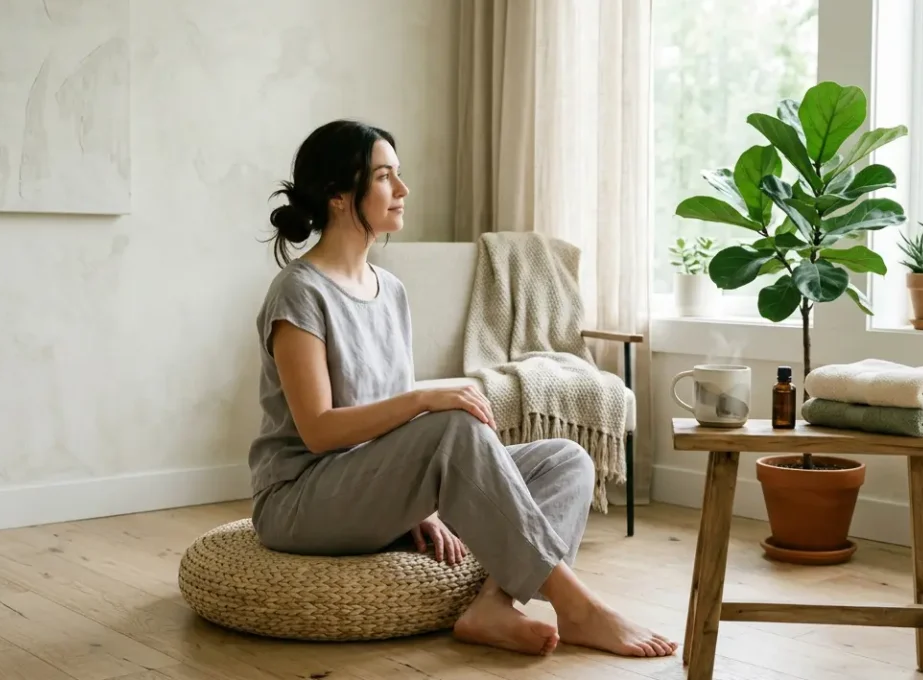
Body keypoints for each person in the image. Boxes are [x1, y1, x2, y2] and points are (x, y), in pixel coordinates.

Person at [248, 119, 677, 658]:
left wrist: (420, 507)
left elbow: (392, 434)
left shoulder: (390, 291)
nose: (403, 190)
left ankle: (495, 604)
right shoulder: (299, 293)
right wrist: (426, 398)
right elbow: (318, 430)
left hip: (371, 488)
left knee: (567, 461)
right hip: (301, 501)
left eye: (399, 176)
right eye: (385, 177)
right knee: (450, 422)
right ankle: (578, 606)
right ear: (339, 195)